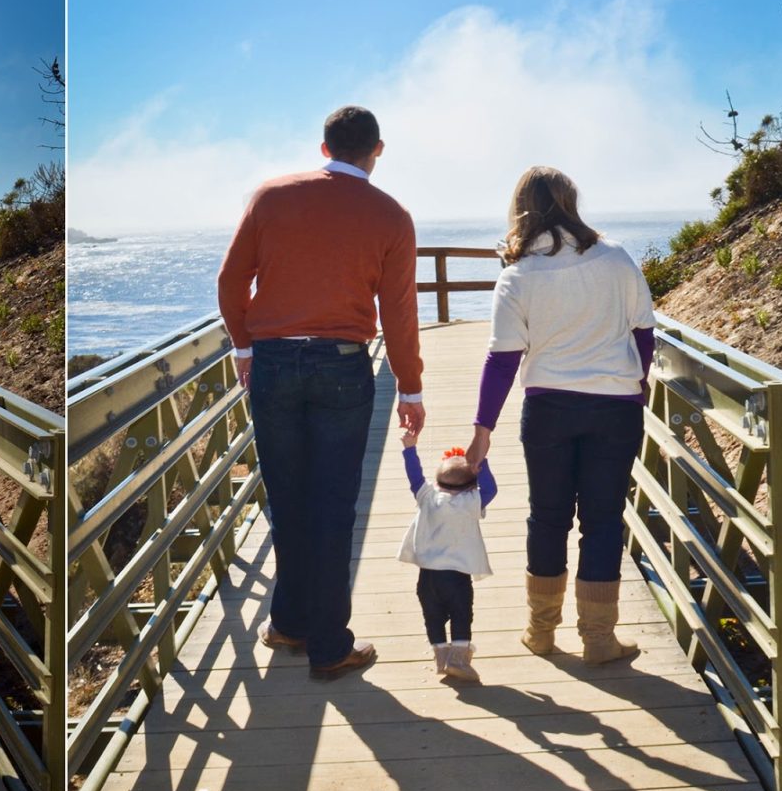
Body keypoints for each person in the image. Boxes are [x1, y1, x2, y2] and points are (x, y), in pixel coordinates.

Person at [217, 105, 424, 680]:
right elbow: (399, 311)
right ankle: (330, 646)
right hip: (341, 364)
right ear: (376, 150)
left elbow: (231, 281)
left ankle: (289, 622)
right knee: (333, 505)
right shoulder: (391, 216)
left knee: (287, 498)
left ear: (325, 147)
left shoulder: (270, 196)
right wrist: (410, 387)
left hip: (275, 363)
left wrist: (244, 347)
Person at [465, 166, 655, 665]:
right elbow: (643, 332)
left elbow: (502, 358)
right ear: (571, 202)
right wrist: (638, 383)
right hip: (614, 409)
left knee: (547, 517)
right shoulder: (615, 257)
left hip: (548, 408)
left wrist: (482, 429)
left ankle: (541, 632)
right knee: (603, 520)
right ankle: (598, 639)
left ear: (521, 207)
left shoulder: (518, 274)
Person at [398, 435, 496, 682]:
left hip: (427, 578)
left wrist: (410, 449)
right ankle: (458, 660)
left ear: (437, 482)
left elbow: (415, 477)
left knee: (433, 617)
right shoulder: (472, 501)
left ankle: (441, 657)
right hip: (456, 577)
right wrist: (482, 462)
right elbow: (491, 489)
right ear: (472, 486)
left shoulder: (427, 497)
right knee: (461, 615)